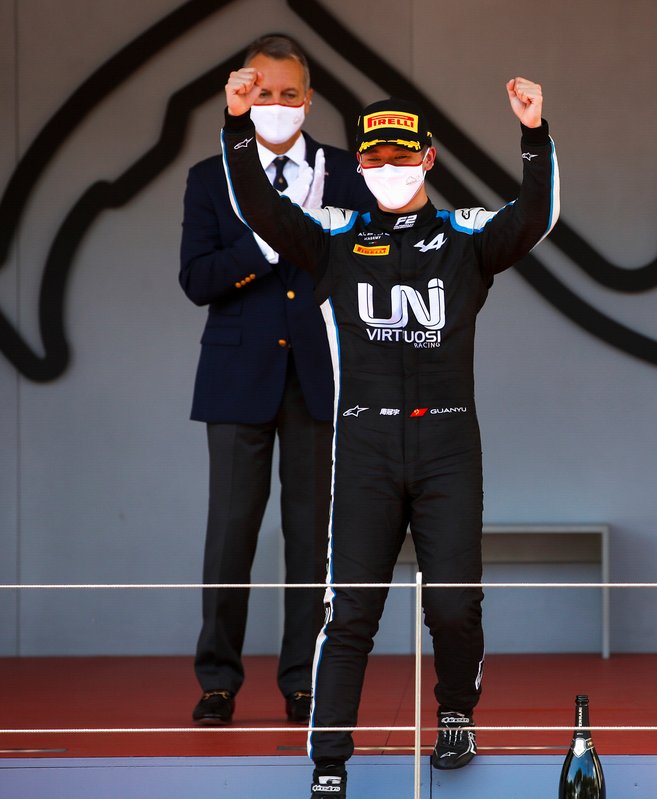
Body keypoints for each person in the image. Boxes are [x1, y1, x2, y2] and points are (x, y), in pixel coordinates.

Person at [221, 63, 559, 797]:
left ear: (429, 157)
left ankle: (457, 714)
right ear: (359, 163)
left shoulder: (465, 236)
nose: (388, 168)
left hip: (448, 442)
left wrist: (534, 135)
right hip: (366, 443)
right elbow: (260, 210)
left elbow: (533, 218)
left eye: (404, 155)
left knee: (452, 604)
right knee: (352, 610)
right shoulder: (335, 237)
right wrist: (238, 129)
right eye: (372, 157)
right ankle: (331, 759)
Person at [180, 34, 375, 727]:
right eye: (263, 93)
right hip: (237, 379)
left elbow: (371, 269)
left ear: (309, 99)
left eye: (290, 94)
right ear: (242, 96)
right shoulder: (212, 178)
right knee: (230, 534)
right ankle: (218, 681)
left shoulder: (347, 172)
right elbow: (197, 279)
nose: (277, 105)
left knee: (311, 537)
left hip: (321, 380)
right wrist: (264, 243)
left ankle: (303, 680)